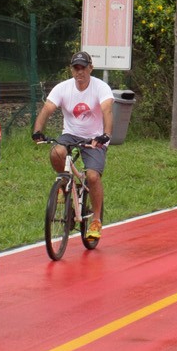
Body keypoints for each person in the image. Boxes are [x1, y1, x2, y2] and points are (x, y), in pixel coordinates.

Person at [33, 50, 114, 247]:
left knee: (93, 176)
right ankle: (65, 184)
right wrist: (37, 130)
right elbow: (47, 109)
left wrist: (105, 135)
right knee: (56, 152)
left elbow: (107, 110)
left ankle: (95, 220)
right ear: (71, 70)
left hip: (95, 137)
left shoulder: (100, 88)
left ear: (90, 68)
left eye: (83, 68)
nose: (80, 72)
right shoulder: (63, 88)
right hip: (71, 133)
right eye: (76, 68)